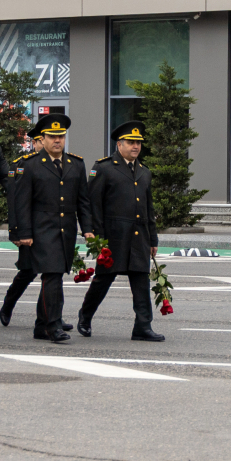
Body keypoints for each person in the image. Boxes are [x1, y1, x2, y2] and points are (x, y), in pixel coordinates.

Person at [75, 121, 164, 341]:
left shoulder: (144, 172)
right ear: (119, 144)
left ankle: (142, 326)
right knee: (104, 279)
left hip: (139, 235)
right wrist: (94, 233)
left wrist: (153, 238)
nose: (135, 147)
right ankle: (85, 317)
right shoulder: (104, 167)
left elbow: (148, 208)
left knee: (141, 282)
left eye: (138, 143)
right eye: (131, 142)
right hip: (113, 235)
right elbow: (92, 203)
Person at [8, 114, 92, 343]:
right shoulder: (30, 165)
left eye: (61, 136)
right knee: (52, 276)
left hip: (65, 230)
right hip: (41, 229)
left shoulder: (76, 164)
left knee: (54, 276)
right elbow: (22, 202)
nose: (57, 141)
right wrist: (23, 233)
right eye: (52, 137)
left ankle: (40, 326)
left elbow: (83, 200)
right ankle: (52, 325)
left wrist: (88, 229)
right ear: (42, 139)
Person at [0, 131, 45, 328]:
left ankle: (49, 316)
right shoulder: (21, 164)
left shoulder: (62, 164)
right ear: (35, 143)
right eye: (43, 140)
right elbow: (15, 200)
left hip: (50, 228)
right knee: (28, 271)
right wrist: (15, 231)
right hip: (29, 228)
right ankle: (8, 304)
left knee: (52, 273)